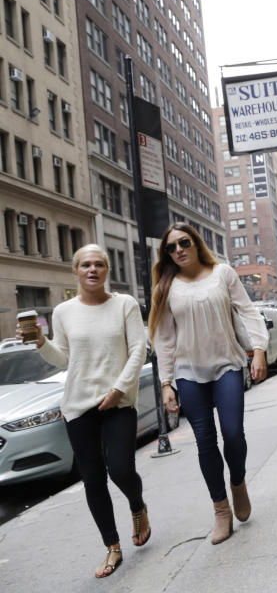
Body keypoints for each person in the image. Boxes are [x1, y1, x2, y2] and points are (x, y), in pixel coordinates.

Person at [22, 245, 149, 578]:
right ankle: (113, 548)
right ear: (75, 271)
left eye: (99, 264)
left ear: (107, 270)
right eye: (86, 265)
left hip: (118, 401)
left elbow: (139, 349)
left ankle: (138, 506)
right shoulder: (63, 312)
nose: (93, 269)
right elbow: (64, 359)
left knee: (121, 469)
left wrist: (119, 389)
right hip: (78, 405)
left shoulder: (125, 304)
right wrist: (40, 343)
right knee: (93, 479)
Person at [148, 223, 268, 545]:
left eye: (183, 242)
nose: (178, 250)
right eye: (171, 248)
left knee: (232, 433)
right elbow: (165, 339)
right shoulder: (166, 286)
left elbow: (248, 312)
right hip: (188, 373)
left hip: (227, 364)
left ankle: (238, 482)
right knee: (205, 442)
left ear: (195, 242)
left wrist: (258, 351)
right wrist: (166, 383)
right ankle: (221, 510)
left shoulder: (223, 274)